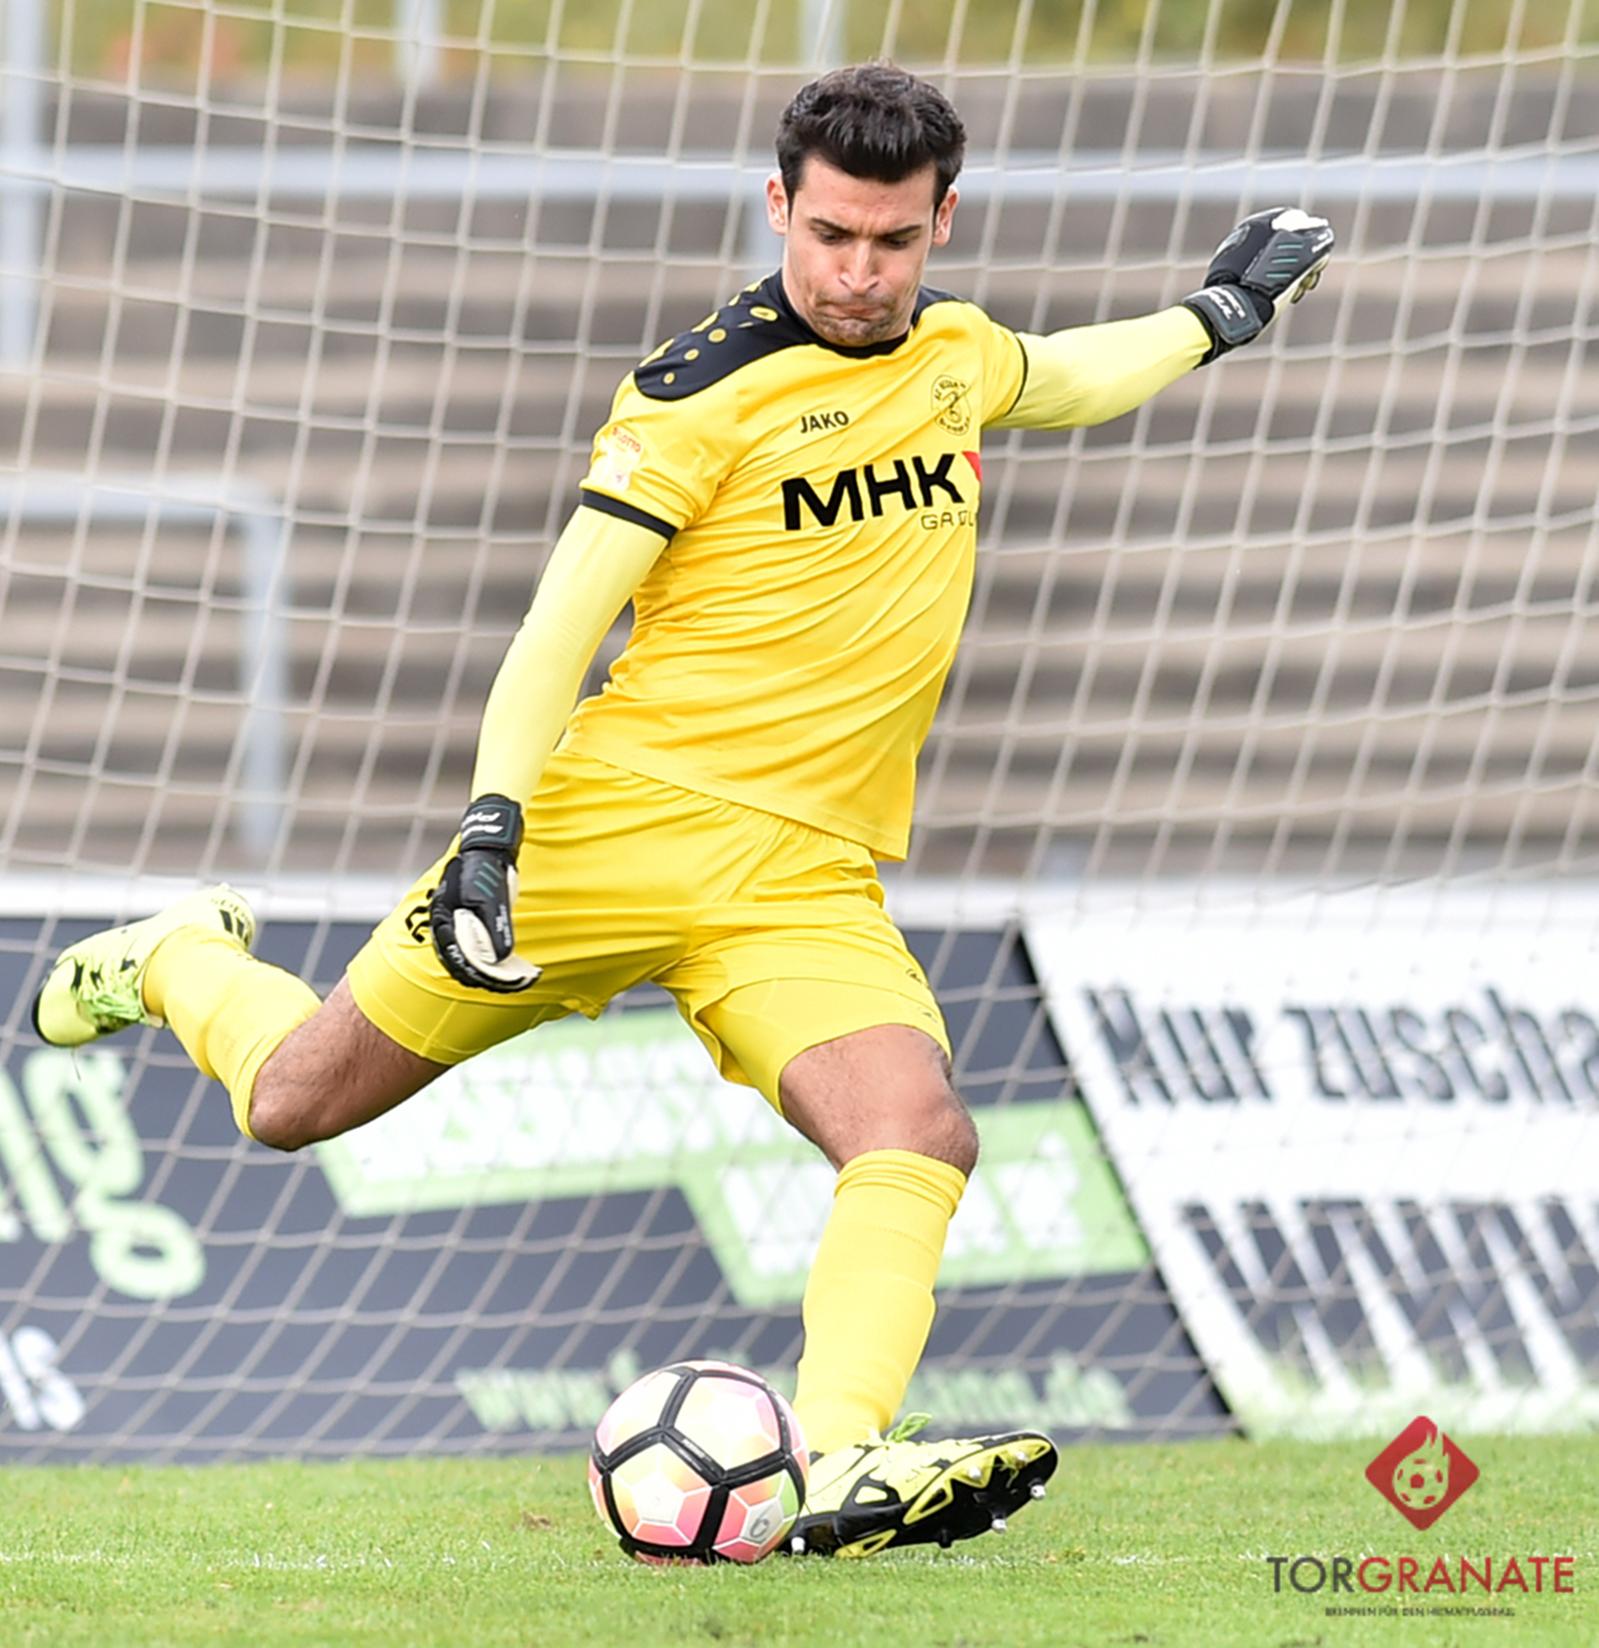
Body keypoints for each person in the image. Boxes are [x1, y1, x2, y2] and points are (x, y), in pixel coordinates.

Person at [32, 62, 1332, 1557]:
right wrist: (492, 826)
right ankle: (176, 956)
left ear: (943, 223)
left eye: (890, 241)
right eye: (830, 234)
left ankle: (841, 1455)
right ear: (778, 205)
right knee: (292, 1103)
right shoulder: (695, 397)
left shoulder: (956, 355)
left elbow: (1071, 375)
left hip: (802, 876)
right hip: (611, 828)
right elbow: (556, 628)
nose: (857, 273)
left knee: (917, 1131)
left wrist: (1216, 317)